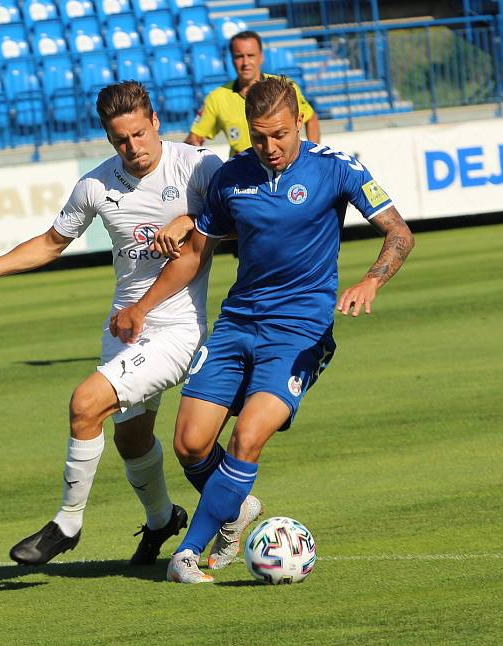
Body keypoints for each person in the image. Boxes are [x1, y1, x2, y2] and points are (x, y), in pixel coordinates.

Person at [112, 76, 415, 583]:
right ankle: (235, 507)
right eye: (258, 137)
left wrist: (371, 280)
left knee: (247, 436)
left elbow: (399, 233)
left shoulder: (337, 168)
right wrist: (142, 306)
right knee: (189, 443)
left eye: (279, 134)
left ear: (299, 120)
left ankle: (188, 553)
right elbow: (194, 255)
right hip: (239, 322)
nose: (269, 147)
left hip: (300, 330)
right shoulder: (232, 177)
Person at [0, 81, 223, 567]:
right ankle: (162, 519)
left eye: (138, 134)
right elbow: (51, 242)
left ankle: (67, 523)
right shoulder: (95, 185)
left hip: (177, 328)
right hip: (124, 327)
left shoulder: (199, 166)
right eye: (120, 140)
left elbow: (241, 214)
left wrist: (193, 218)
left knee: (85, 404)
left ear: (155, 122)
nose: (132, 148)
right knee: (130, 440)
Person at [184, 30, 320, 157]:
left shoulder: (284, 88)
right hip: (244, 175)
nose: (245, 62)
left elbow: (310, 118)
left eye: (250, 55)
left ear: (261, 57)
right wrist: (193, 147)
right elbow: (194, 138)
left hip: (282, 165)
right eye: (239, 56)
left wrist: (312, 156)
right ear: (231, 60)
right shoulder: (217, 98)